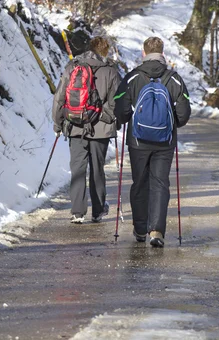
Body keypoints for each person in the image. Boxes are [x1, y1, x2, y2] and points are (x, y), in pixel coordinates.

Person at [114, 37, 191, 247]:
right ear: (162, 53)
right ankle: (156, 230)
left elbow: (120, 108)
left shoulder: (132, 78)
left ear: (144, 53)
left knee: (139, 182)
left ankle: (140, 229)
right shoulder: (174, 79)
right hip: (164, 142)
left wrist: (125, 120)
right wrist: (170, 124)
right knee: (160, 183)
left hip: (138, 141)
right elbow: (184, 113)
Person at [52, 37, 121, 224]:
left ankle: (77, 212)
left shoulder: (73, 67)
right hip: (101, 129)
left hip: (75, 125)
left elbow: (60, 98)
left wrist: (58, 123)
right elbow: (118, 102)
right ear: (105, 51)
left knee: (77, 169)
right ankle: (98, 211)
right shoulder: (111, 71)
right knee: (97, 169)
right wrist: (110, 118)